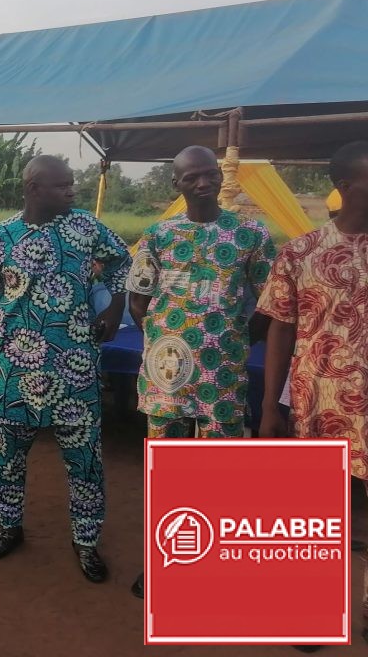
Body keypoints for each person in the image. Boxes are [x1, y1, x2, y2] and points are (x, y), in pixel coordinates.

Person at [0, 155, 130, 578]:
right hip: (16, 370)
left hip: (76, 368)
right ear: (34, 188)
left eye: (72, 184)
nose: (72, 191)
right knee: (9, 455)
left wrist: (114, 308)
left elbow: (123, 262)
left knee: (84, 460)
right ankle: (9, 527)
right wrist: (12, 309)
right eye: (63, 185)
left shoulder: (86, 228)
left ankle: (86, 542)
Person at [125, 145, 275, 598]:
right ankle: (162, 561)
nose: (204, 182)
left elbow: (270, 301)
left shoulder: (250, 234)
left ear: (220, 177)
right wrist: (164, 340)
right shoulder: (159, 234)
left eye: (210, 174)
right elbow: (137, 299)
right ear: (177, 184)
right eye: (192, 177)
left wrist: (236, 339)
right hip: (167, 375)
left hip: (222, 375)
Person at [259, 140, 368, 647]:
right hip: (317, 405)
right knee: (315, 514)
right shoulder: (300, 253)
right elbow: (280, 329)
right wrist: (269, 407)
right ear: (346, 186)